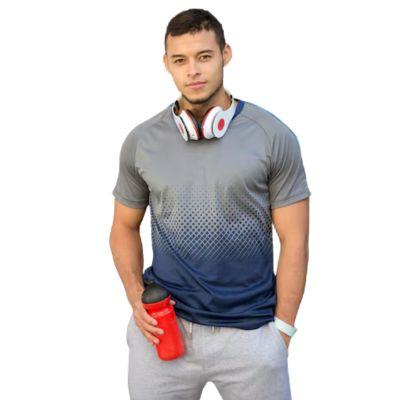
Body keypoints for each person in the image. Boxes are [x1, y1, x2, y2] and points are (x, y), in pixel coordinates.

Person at [109, 8, 311, 400]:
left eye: (204, 56)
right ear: (166, 64)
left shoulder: (272, 136)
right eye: (180, 60)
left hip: (251, 335)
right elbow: (123, 227)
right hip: (163, 330)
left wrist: (282, 332)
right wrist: (136, 298)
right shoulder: (141, 142)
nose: (193, 71)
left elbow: (296, 240)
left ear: (225, 54)